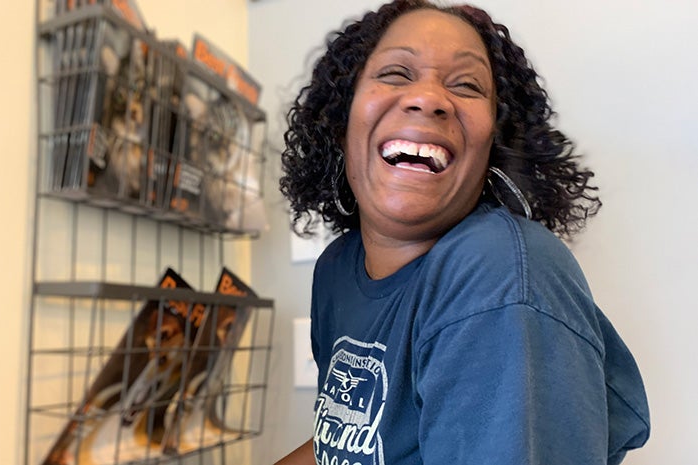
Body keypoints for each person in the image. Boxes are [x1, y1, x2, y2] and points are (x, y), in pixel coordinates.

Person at [276, 1, 650, 464]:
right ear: (340, 122)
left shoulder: (498, 273)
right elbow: (347, 444)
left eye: (466, 85)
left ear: (495, 141)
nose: (429, 98)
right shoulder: (337, 269)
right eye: (395, 73)